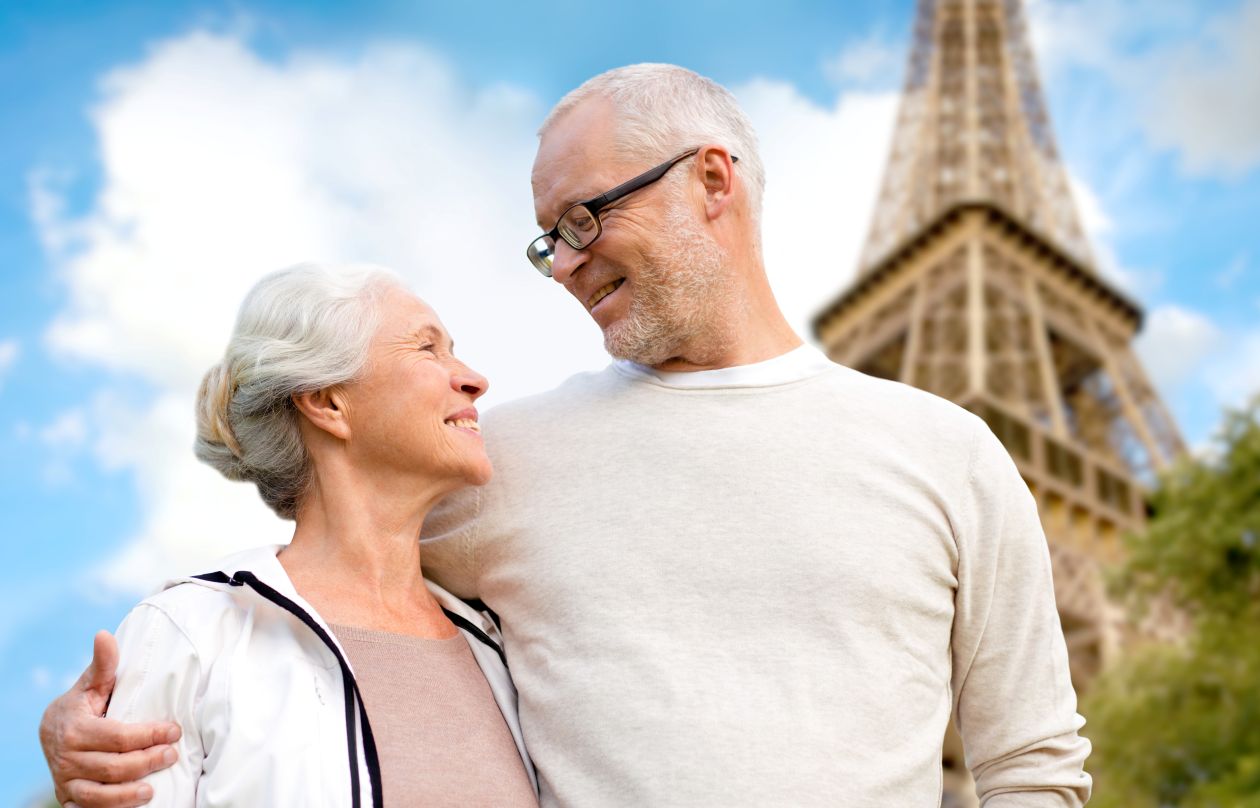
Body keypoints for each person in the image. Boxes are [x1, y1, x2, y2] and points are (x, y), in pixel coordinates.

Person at [42, 64, 1091, 806]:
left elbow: (1033, 765)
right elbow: (316, 585)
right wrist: (98, 724)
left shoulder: (950, 454)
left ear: (713, 180)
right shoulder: (494, 464)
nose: (567, 265)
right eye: (549, 241)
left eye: (586, 219)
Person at [42, 263, 539, 807]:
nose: (474, 378)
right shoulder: (192, 634)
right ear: (327, 403)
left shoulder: (499, 646)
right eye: (428, 349)